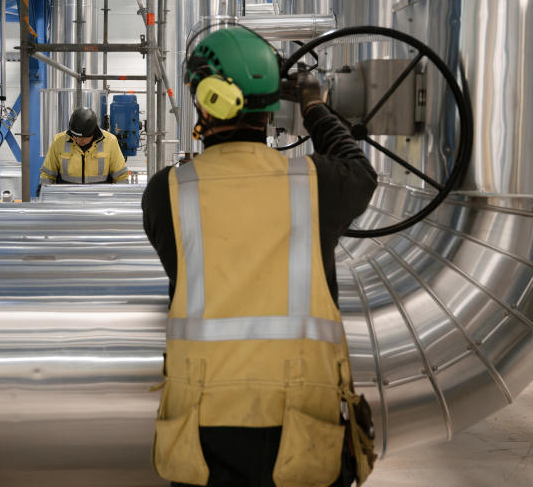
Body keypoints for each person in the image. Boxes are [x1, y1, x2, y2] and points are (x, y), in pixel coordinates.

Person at [141, 26, 379, 487]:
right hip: (302, 421)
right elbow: (359, 169)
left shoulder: (166, 194)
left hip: (202, 427)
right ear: (273, 106)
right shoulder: (316, 185)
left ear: (205, 100)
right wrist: (315, 108)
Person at [39, 107, 129, 186]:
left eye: (84, 138)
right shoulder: (58, 141)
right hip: (67, 200)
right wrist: (43, 190)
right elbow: (47, 174)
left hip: (100, 202)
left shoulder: (110, 141)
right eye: (75, 136)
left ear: (93, 133)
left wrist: (121, 196)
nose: (79, 140)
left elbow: (121, 176)